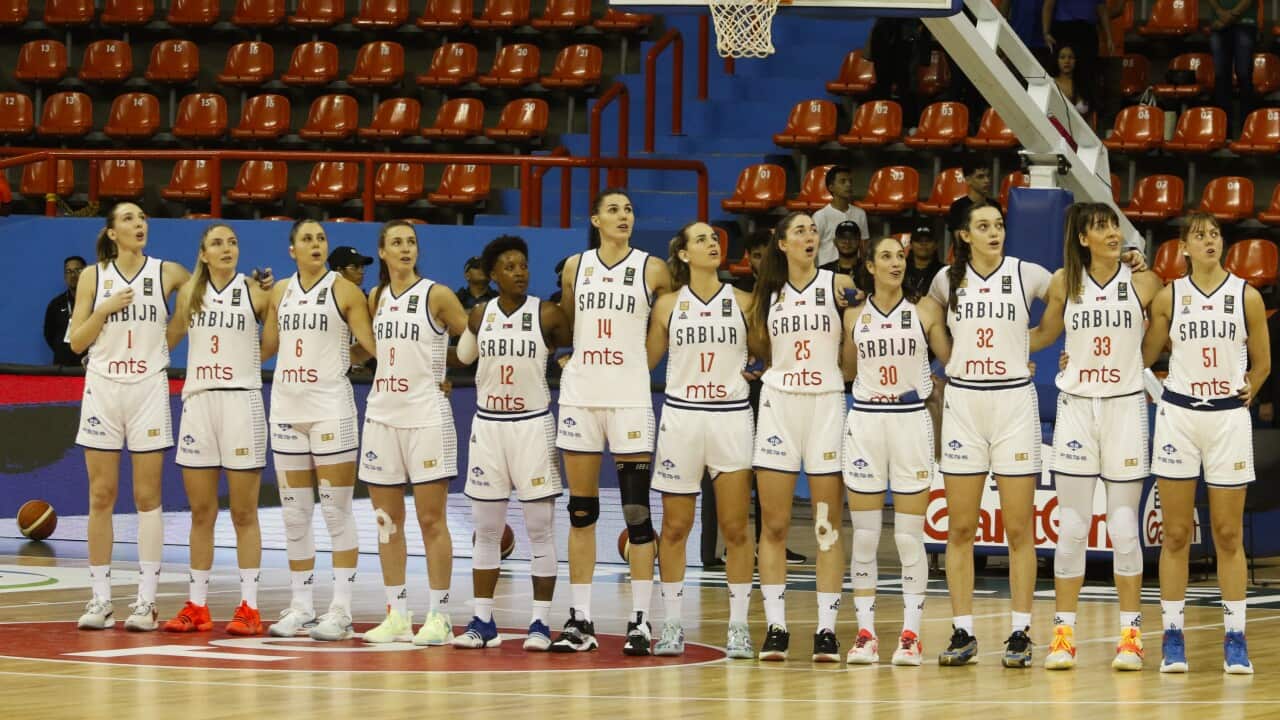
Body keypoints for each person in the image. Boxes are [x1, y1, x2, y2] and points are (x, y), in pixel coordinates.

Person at [1026, 203, 1162, 670]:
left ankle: (1131, 635)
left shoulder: (1144, 281)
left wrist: (1134, 366)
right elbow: (1045, 333)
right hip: (1078, 409)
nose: (1110, 232)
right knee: (1071, 528)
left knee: (1124, 528)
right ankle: (1063, 634)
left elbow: (1160, 333)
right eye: (1100, 226)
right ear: (1082, 238)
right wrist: (996, 343)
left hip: (1124, 407)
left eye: (1113, 225)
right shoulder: (1066, 281)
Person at [1141, 211, 1269, 675]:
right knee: (1175, 534)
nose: (1210, 240)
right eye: (1200, 235)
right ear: (1185, 248)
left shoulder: (1246, 296)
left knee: (1228, 534)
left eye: (1215, 234)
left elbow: (1264, 363)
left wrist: (1252, 383)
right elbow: (1146, 356)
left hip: (1227, 420)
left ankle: (1235, 638)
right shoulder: (1169, 297)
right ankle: (1172, 636)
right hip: (1178, 416)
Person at [928, 201, 1052, 668]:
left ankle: (1020, 632)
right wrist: (948, 356)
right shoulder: (946, 280)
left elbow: (1067, 295)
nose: (994, 232)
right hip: (964, 403)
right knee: (960, 529)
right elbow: (925, 314)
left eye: (998, 225)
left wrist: (1029, 344)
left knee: (1020, 528)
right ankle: (963, 631)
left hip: (1013, 404)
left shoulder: (1027, 273)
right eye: (983, 226)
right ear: (964, 235)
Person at [551, 188, 674, 655]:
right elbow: (566, 321)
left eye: (628, 210)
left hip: (628, 399)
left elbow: (664, 323)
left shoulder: (652, 268)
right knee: (581, 511)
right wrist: (570, 360)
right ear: (595, 219)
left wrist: (641, 369)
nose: (624, 216)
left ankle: (639, 621)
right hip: (582, 396)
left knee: (637, 515)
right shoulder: (574, 267)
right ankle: (580, 620)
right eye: (614, 210)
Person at [70, 203, 191, 631]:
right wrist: (103, 311)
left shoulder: (168, 272)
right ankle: (100, 600)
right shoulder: (93, 277)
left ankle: (146, 602)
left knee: (146, 497)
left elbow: (203, 300)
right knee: (100, 496)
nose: (139, 224)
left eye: (142, 217)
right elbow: (76, 343)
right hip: (102, 388)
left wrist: (169, 339)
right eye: (128, 219)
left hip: (147, 390)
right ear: (111, 233)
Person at [454, 235, 572, 650]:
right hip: (488, 427)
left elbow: (583, 341)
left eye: (523, 265)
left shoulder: (549, 313)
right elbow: (463, 359)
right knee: (486, 531)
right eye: (509, 266)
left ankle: (540, 623)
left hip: (531, 427)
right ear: (492, 275)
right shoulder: (479, 314)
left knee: (540, 529)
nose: (520, 272)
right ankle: (482, 619)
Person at [261, 219, 376, 641]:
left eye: (320, 238)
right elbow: (266, 349)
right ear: (292, 249)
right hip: (287, 410)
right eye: (307, 238)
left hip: (331, 411)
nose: (315, 244)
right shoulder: (280, 292)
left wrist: (421, 368)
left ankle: (341, 610)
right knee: (294, 514)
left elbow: (370, 342)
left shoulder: (343, 290)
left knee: (335, 510)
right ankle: (301, 607)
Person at [354, 220, 468, 646]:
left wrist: (448, 370)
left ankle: (439, 615)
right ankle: (397, 613)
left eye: (411, 242)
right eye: (396, 243)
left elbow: (471, 338)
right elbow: (371, 349)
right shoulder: (375, 297)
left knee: (430, 519)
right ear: (382, 252)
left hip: (426, 416)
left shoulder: (436, 294)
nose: (406, 249)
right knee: (386, 520)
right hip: (382, 415)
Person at [646, 222, 757, 658]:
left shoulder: (745, 302)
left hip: (730, 417)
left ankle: (739, 626)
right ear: (684, 254)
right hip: (682, 417)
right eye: (702, 239)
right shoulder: (667, 306)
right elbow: (644, 363)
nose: (712, 244)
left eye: (715, 238)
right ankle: (672, 624)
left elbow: (771, 351)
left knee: (734, 528)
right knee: (675, 527)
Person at [840, 235, 952, 666]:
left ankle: (911, 634)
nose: (895, 263)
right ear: (869, 265)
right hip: (866, 421)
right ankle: (865, 633)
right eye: (885, 256)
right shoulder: (853, 315)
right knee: (865, 536)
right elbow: (849, 370)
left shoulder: (924, 311)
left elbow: (951, 358)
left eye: (900, 257)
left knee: (908, 537)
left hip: (910, 421)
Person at [750, 211, 857, 662]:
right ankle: (776, 627)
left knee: (825, 525)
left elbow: (866, 337)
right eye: (800, 230)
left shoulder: (840, 286)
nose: (810, 235)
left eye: (813, 229)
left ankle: (826, 630)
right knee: (774, 525)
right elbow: (756, 349)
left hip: (826, 403)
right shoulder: (766, 296)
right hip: (779, 405)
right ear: (781, 244)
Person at [163, 224, 272, 636]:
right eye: (217, 243)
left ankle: (250, 606)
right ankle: (198, 604)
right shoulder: (190, 293)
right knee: (201, 512)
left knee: (244, 512)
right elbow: (165, 343)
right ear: (203, 253)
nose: (226, 248)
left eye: (232, 242)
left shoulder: (254, 290)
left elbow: (275, 339)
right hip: (199, 403)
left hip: (241, 401)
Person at [734, 227, 808, 565]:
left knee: (773, 467)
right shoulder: (738, 294)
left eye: (768, 255)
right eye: (757, 255)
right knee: (742, 469)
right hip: (742, 387)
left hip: (777, 385)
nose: (763, 262)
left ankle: (771, 539)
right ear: (748, 259)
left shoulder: (786, 292)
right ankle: (736, 542)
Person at [1043, 0, 1111, 107]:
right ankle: (1057, 107)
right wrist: (1046, 32)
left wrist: (1109, 37)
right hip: (1064, 28)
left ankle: (1086, 110)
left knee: (1088, 73)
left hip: (1088, 31)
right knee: (1061, 70)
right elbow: (1049, 4)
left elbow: (1101, 8)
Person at [1208, 0, 1258, 134]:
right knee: (1220, 77)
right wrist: (1220, 12)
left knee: (1244, 75)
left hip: (1245, 22)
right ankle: (1223, 132)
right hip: (1219, 23)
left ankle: (1248, 131)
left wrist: (1230, 16)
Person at [813, 166, 871, 268]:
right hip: (827, 272)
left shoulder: (860, 214)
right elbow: (812, 249)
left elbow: (864, 247)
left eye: (850, 181)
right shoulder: (820, 216)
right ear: (831, 187)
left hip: (854, 271)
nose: (848, 185)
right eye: (843, 181)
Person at [45, 255, 87, 366]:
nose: (73, 275)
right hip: (62, 366)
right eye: (68, 271)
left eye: (78, 270)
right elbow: (49, 334)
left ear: (86, 273)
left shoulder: (96, 301)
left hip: (89, 366)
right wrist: (62, 350)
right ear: (64, 276)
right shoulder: (56, 304)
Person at [946, 162, 997, 236]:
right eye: (980, 177)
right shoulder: (958, 207)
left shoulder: (995, 206)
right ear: (968, 180)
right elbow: (959, 241)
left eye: (988, 176)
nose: (987, 181)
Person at [820, 221, 871, 293]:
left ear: (860, 242)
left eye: (852, 238)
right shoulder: (824, 272)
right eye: (842, 238)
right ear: (835, 242)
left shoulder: (869, 271)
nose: (847, 241)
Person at [1051, 44, 1094, 119]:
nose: (1067, 61)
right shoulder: (1051, 83)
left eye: (1071, 57)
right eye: (1062, 57)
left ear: (1076, 60)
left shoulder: (1084, 84)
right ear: (1056, 60)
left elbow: (1090, 118)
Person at [903, 225, 944, 300]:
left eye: (928, 240)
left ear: (936, 245)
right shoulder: (901, 269)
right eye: (919, 240)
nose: (923, 244)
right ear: (911, 245)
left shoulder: (944, 271)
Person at [732, 229, 772, 293]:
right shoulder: (740, 289)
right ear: (749, 258)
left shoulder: (790, 285)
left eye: (769, 256)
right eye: (757, 256)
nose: (764, 262)